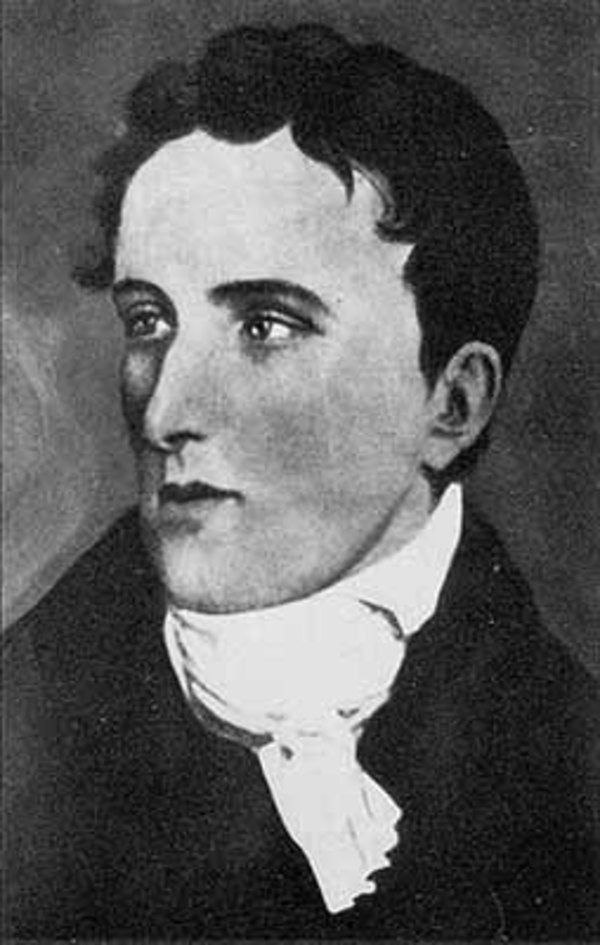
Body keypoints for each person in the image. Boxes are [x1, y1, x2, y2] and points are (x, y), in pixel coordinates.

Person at [4, 23, 598, 941]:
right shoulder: (26, 728)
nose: (165, 411)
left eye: (266, 325)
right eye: (148, 320)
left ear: (454, 401)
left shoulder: (567, 757)